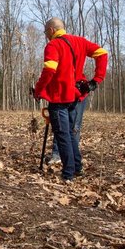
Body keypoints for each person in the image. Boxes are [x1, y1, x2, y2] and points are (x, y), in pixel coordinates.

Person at [32, 18, 108, 182]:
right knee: (72, 133)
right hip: (77, 96)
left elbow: (49, 71)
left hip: (59, 97)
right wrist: (96, 80)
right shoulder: (80, 41)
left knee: (63, 134)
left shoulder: (53, 45)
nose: (46, 36)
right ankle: (77, 168)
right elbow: (102, 53)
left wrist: (38, 91)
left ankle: (68, 174)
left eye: (46, 32)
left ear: (52, 30)